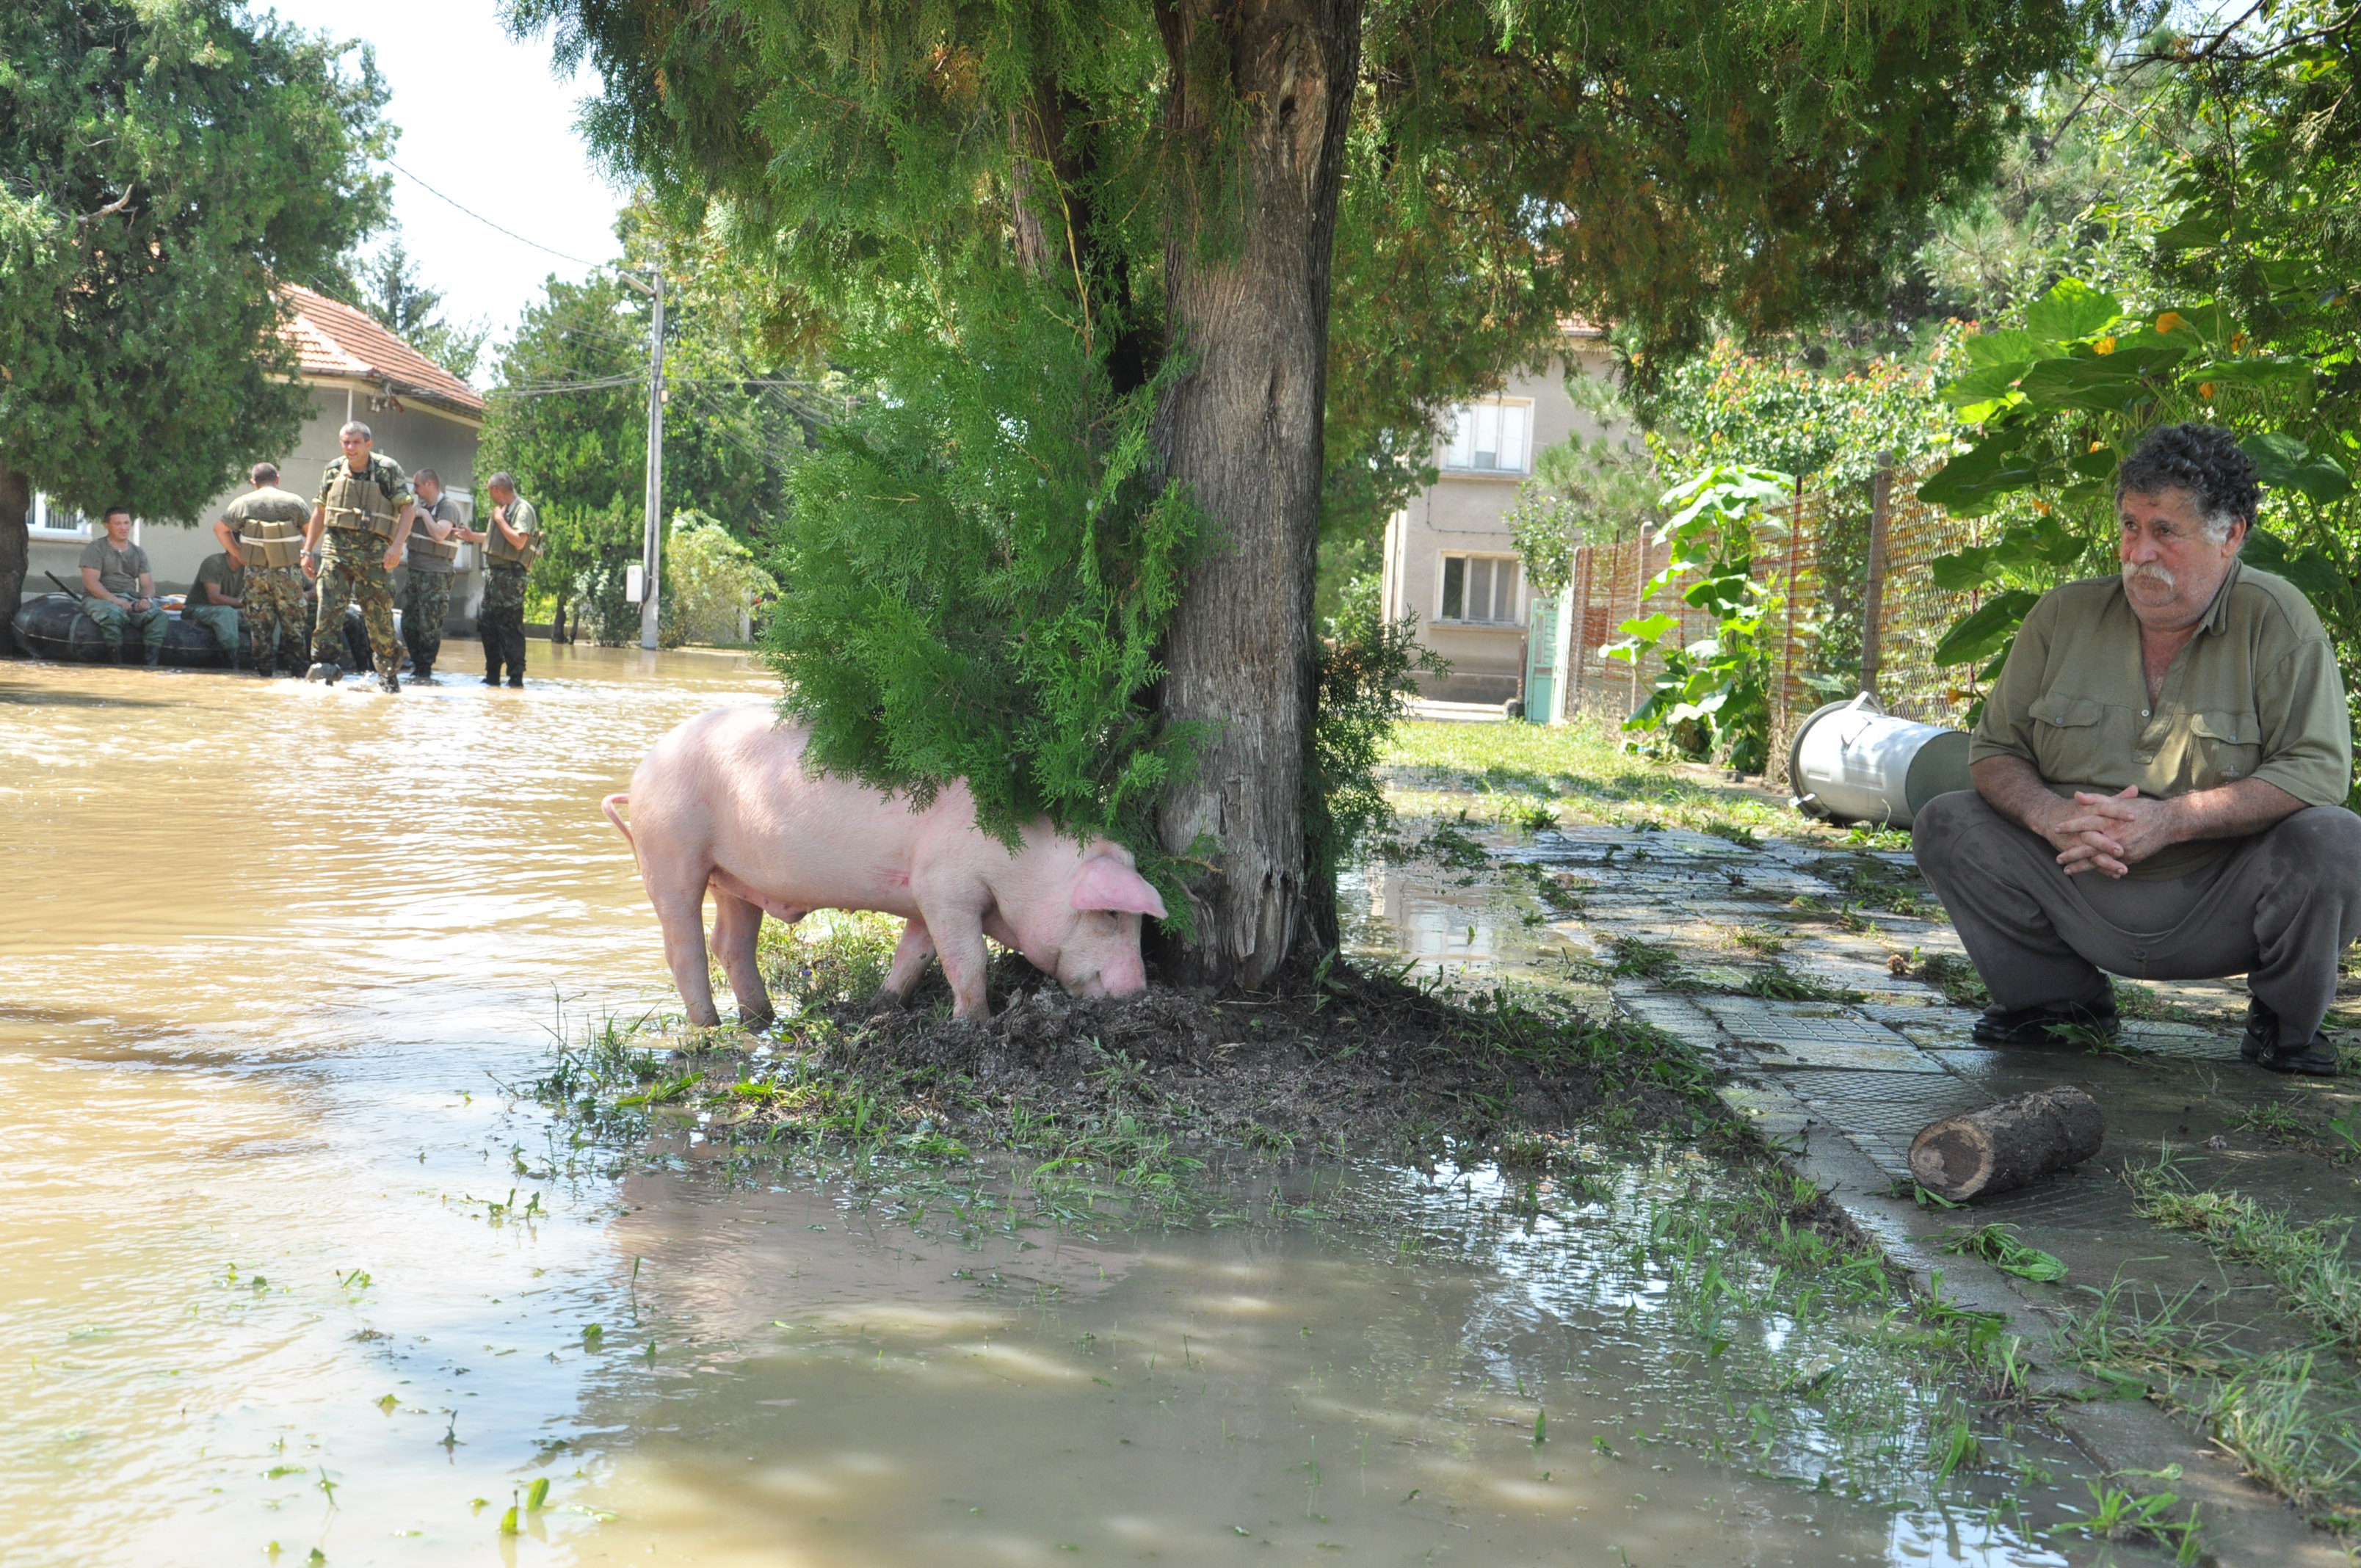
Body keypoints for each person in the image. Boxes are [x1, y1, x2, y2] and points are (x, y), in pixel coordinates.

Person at [1914, 423, 2361, 1076]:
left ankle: (2283, 1021)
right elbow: (1995, 750)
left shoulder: (2277, 619)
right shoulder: (2062, 615)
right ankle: (2057, 1007)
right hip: (2075, 881)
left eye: (2165, 532)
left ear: (2231, 535)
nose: (2139, 552)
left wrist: (2173, 819)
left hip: (2221, 900)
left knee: (2337, 839)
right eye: (2129, 526)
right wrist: (2050, 815)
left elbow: (2318, 769)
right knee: (1947, 822)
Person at [302, 421, 417, 692]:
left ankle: (388, 673)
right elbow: (320, 510)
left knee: (378, 620)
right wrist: (308, 550)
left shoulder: (387, 469)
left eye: (355, 442)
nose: (350, 448)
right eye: (345, 442)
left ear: (368, 444)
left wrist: (397, 547)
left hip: (375, 556)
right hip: (336, 552)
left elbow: (408, 510)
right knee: (327, 611)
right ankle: (324, 671)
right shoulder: (333, 469)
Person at [215, 462, 312, 677]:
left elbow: (220, 529)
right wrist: (306, 554)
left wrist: (239, 553)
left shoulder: (243, 503)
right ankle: (298, 676)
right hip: (288, 574)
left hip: (256, 575)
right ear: (277, 478)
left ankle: (264, 677)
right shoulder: (294, 501)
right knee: (294, 628)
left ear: (253, 482)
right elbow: (310, 532)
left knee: (260, 630)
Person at [455, 471, 540, 688]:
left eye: (489, 491)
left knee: (510, 629)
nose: (489, 495)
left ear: (496, 490)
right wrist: (471, 536)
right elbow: (496, 539)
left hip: (511, 579)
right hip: (495, 579)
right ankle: (492, 675)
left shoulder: (521, 510)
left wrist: (500, 519)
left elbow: (519, 541)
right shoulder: (504, 511)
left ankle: (515, 679)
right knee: (488, 626)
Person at [395, 467, 465, 681]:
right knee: (408, 622)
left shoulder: (447, 507)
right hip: (415, 574)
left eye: (417, 485)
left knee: (430, 625)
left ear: (429, 484)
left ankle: (425, 669)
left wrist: (423, 513)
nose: (414, 490)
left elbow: (439, 534)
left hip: (436, 576)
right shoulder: (419, 507)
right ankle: (417, 665)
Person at [77, 507, 167, 665]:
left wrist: (146, 600)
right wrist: (115, 601)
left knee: (158, 616)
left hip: (130, 598)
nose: (124, 527)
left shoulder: (138, 552)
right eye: (118, 524)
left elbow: (147, 584)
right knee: (113, 614)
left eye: (126, 523)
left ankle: (151, 664)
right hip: (99, 599)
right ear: (107, 525)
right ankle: (116, 663)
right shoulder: (96, 548)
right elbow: (91, 583)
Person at [182, 548, 247, 668]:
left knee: (267, 616)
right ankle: (232, 663)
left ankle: (270, 661)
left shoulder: (249, 568)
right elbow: (214, 599)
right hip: (197, 607)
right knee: (226, 613)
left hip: (230, 610)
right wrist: (246, 604)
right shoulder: (214, 562)